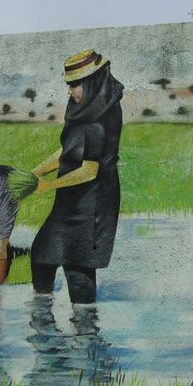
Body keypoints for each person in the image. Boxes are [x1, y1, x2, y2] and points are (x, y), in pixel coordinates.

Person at [30, 50, 124, 305]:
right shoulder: (82, 108)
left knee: (78, 264)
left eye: (75, 84)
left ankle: (85, 329)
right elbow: (69, 149)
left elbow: (90, 169)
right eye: (69, 85)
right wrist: (36, 172)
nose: (71, 91)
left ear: (92, 82)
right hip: (71, 195)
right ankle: (42, 312)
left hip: (93, 199)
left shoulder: (101, 117)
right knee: (42, 253)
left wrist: (49, 185)